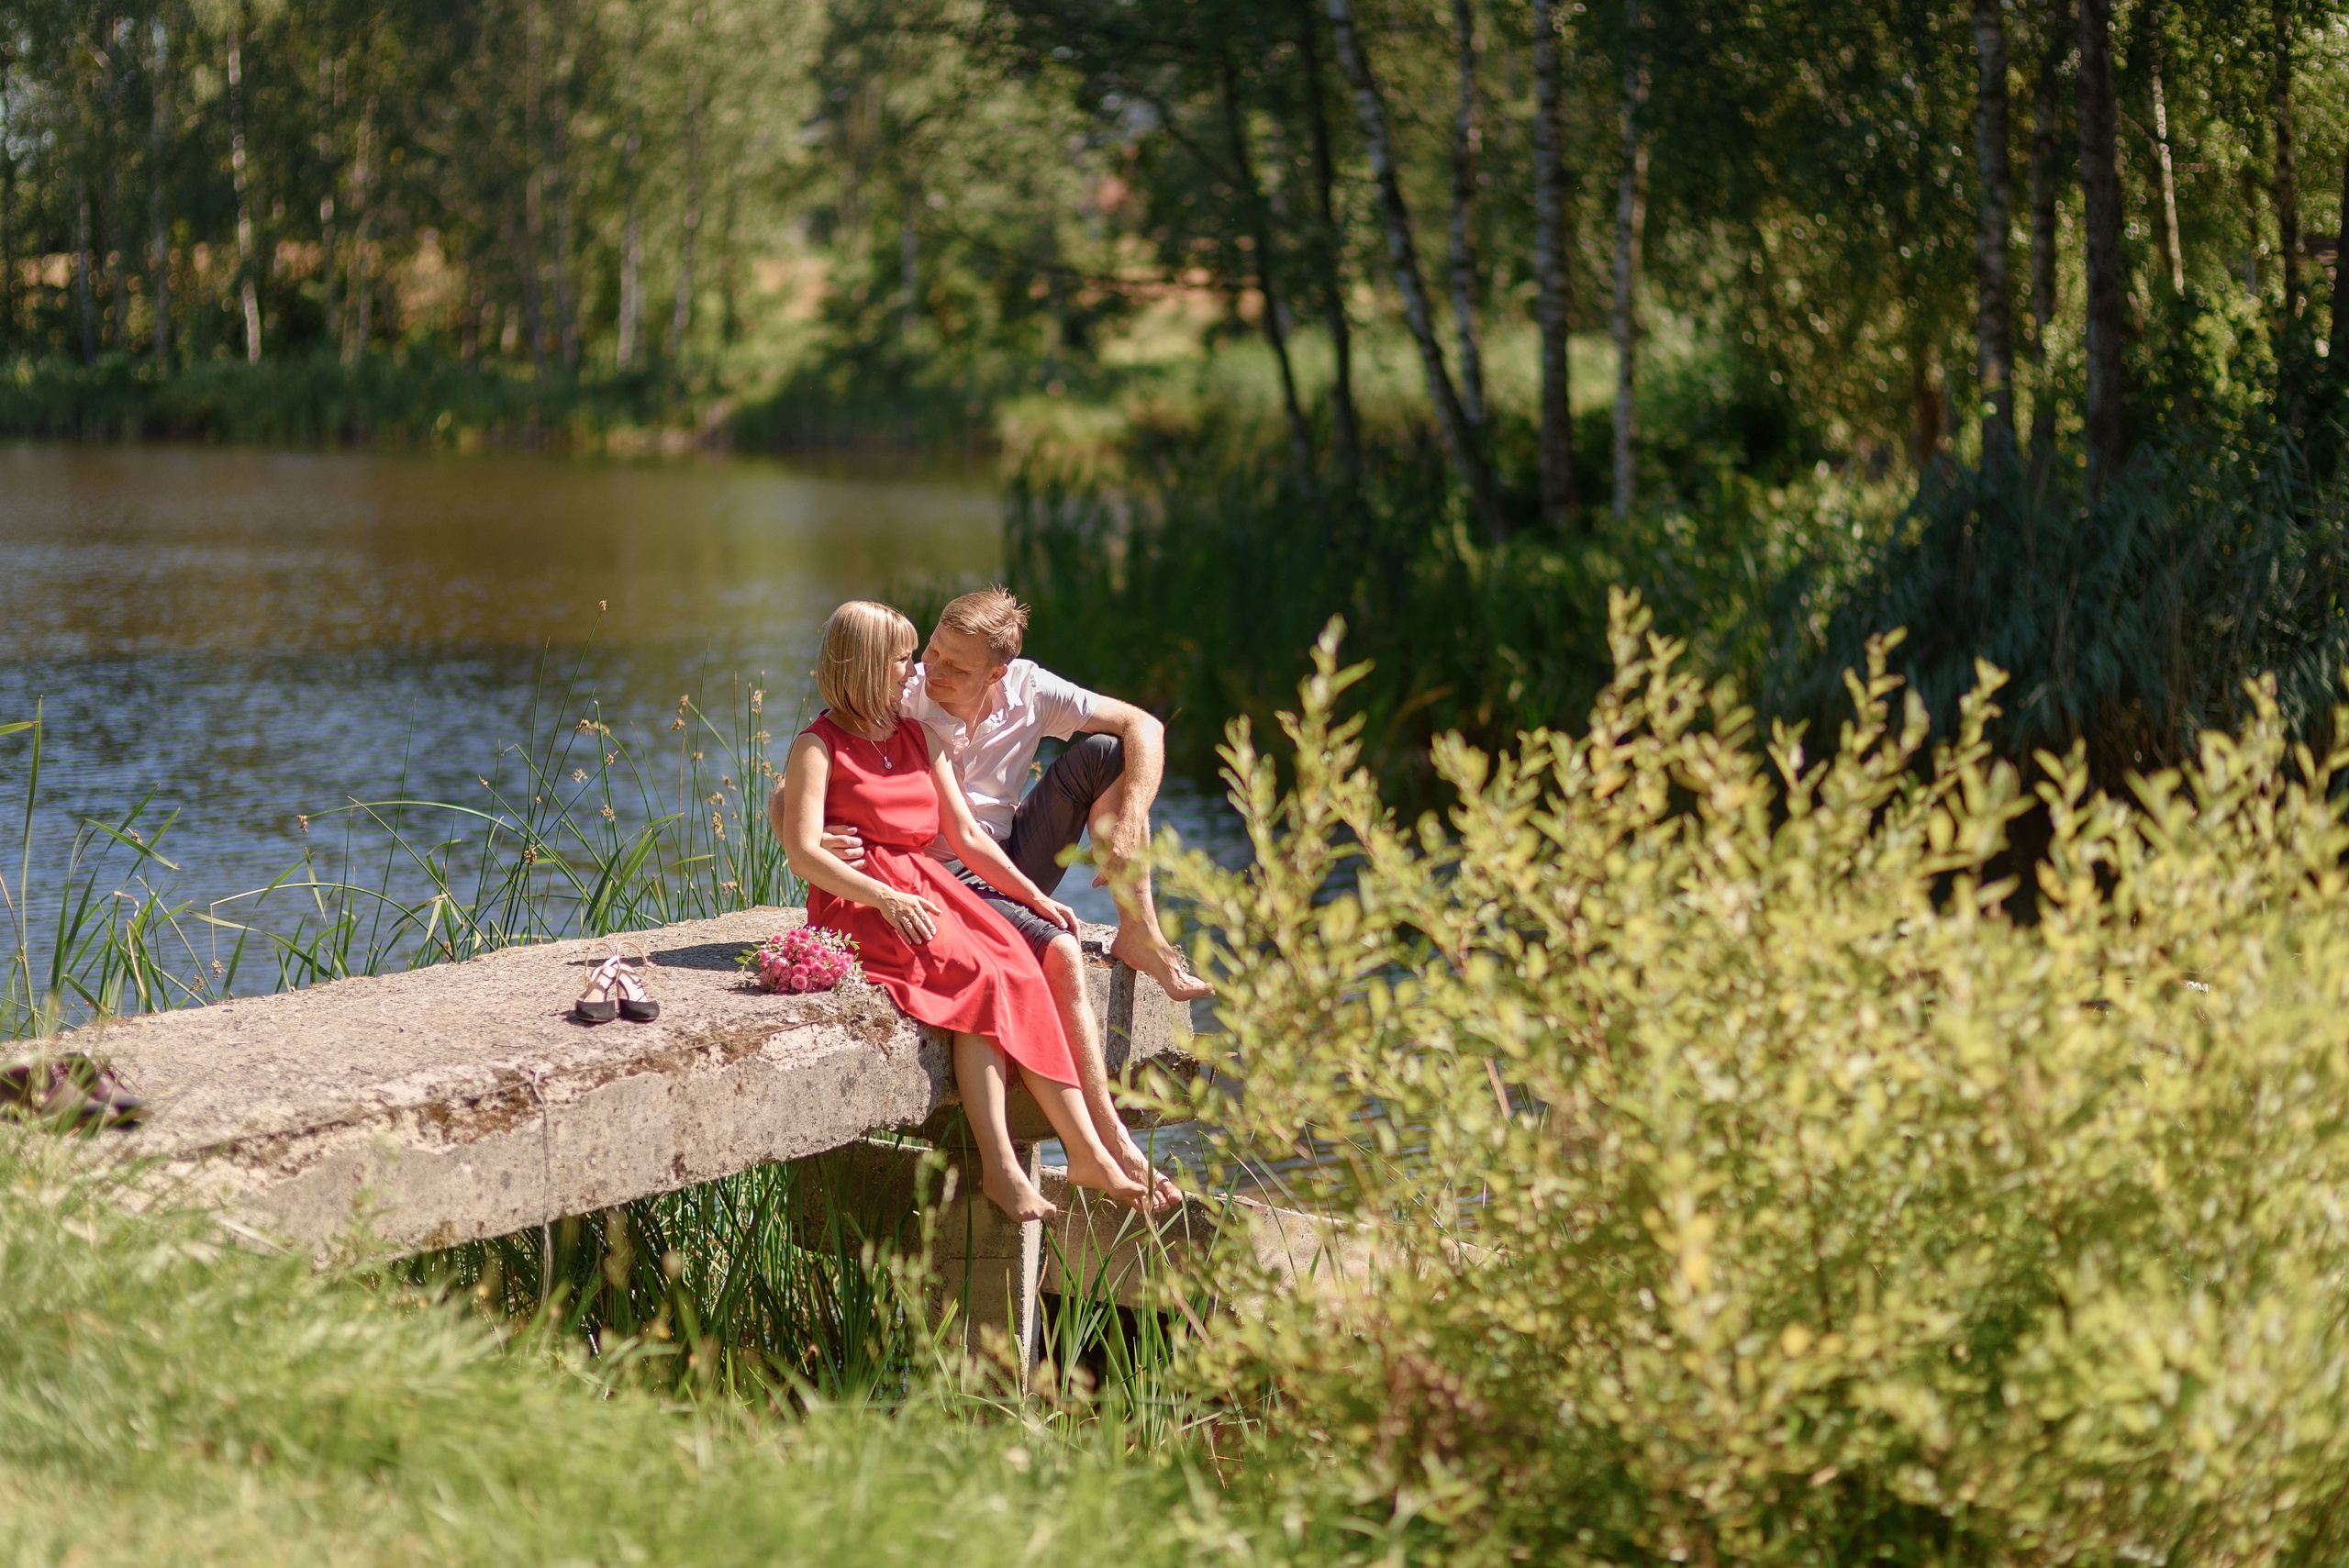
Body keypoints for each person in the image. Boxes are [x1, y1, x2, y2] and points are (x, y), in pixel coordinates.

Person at [770, 600, 1151, 1222]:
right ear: (867, 664)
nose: (912, 671)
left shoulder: (918, 735)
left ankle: (1083, 1150)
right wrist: (886, 896)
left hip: (925, 889)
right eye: (901, 659)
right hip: (863, 899)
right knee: (975, 977)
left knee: (1017, 968)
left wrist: (1035, 896)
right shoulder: (818, 744)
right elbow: (807, 851)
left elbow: (970, 838)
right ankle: (1001, 1166)